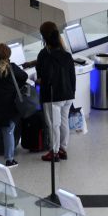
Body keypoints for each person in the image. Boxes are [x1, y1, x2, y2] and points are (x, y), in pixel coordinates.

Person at [35, 21, 76, 162]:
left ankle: (54, 152)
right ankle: (63, 149)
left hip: (53, 96)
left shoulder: (43, 55)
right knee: (64, 122)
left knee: (53, 124)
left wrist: (38, 81)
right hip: (68, 94)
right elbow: (72, 75)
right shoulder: (66, 54)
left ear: (44, 38)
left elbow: (42, 76)